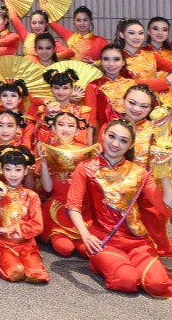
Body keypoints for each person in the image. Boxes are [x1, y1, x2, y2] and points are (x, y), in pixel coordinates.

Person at [67, 119, 172, 297]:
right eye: (112, 136)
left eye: (123, 140)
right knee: (126, 281)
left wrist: (164, 174)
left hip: (138, 241)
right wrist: (85, 235)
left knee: (158, 285)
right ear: (103, 135)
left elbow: (165, 208)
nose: (115, 144)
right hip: (103, 239)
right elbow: (73, 205)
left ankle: (124, 264)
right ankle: (100, 261)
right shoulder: (85, 168)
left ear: (130, 145)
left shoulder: (140, 173)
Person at [0, 145, 49, 283]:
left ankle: (31, 259)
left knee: (37, 274)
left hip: (26, 244)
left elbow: (37, 225)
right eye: (8, 169)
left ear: (25, 171)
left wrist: (13, 229)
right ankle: (5, 258)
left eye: (18, 170)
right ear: (2, 170)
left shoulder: (31, 196)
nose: (13, 175)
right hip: (4, 244)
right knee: (15, 271)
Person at [36, 110, 93, 258]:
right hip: (57, 208)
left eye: (70, 125)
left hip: (81, 209)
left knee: (85, 250)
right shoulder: (48, 150)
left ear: (77, 131)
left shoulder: (84, 152)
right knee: (65, 248)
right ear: (54, 128)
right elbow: (48, 188)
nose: (65, 129)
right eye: (61, 124)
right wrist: (44, 162)